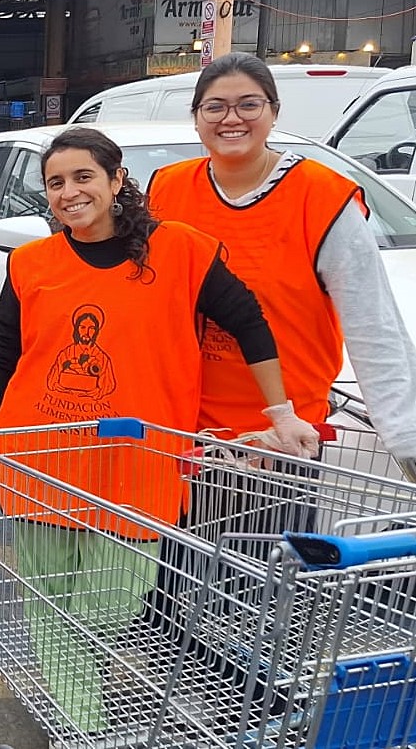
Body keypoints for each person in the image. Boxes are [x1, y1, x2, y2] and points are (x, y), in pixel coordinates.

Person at [0, 126, 316, 738]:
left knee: (110, 607)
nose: (69, 192)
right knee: (47, 606)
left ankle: (80, 713)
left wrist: (281, 411)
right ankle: (82, 728)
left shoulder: (179, 250)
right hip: (40, 457)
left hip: (138, 466)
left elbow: (248, 321)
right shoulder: (30, 264)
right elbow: (4, 353)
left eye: (83, 177)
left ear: (116, 181)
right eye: (55, 183)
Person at [148, 52, 416, 473]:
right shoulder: (168, 188)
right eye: (215, 107)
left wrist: (404, 437)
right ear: (196, 117)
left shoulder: (322, 198)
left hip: (282, 440)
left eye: (249, 105)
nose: (231, 118)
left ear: (274, 112)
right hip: (182, 432)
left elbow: (373, 324)